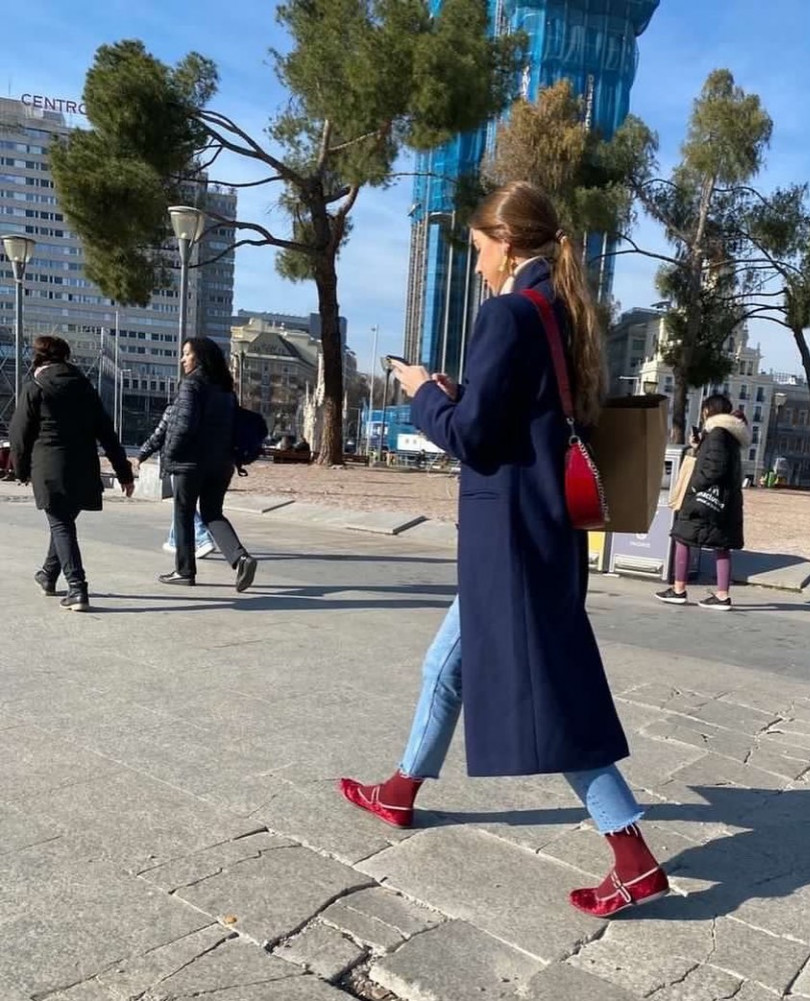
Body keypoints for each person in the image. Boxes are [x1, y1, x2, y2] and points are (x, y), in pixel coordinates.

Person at [339, 181, 668, 919]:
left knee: (552, 699)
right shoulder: (563, 311)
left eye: (481, 246)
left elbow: (474, 438)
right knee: (447, 665)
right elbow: (515, 418)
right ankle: (400, 790)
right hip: (541, 531)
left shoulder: (507, 313)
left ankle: (633, 857)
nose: (479, 262)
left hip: (511, 540)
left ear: (508, 241)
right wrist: (461, 394)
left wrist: (425, 393)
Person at [9, 335, 134, 611]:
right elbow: (106, 432)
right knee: (62, 522)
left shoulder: (35, 386)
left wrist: (20, 471)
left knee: (61, 525)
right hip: (84, 471)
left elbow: (18, 435)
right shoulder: (85, 388)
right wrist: (123, 472)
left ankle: (77, 588)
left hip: (49, 468)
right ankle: (47, 575)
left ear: (38, 359)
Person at [159, 336, 257, 591]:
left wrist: (169, 458)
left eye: (186, 354)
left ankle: (184, 571)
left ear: (199, 357)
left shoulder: (191, 385)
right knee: (213, 512)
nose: (182, 359)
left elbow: (182, 425)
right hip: (222, 463)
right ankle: (240, 557)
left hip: (191, 463)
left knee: (183, 513)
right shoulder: (226, 389)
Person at [656, 393, 749, 610]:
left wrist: (696, 485)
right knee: (721, 545)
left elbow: (714, 467)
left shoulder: (717, 433)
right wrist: (698, 445)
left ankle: (678, 589)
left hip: (705, 498)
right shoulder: (730, 435)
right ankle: (722, 595)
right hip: (724, 501)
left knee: (682, 536)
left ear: (709, 411)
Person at [136, 405, 215, 559]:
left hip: (178, 463)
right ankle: (174, 540)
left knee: (183, 504)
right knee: (181, 503)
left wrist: (142, 454)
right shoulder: (206, 409)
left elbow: (158, 435)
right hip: (202, 464)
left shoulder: (175, 410)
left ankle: (203, 538)